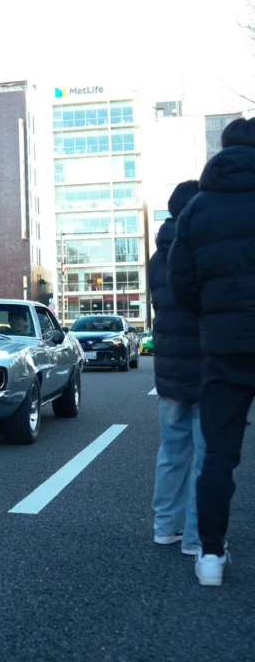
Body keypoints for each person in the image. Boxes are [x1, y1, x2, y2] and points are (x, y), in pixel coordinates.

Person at [169, 117, 255, 586]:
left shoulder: (199, 207)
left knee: (218, 454)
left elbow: (182, 282)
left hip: (225, 347)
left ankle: (211, 557)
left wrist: (215, 312)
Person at [149, 180, 203, 556]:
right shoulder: (200, 249)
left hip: (169, 364)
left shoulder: (158, 257)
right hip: (204, 359)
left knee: (172, 450)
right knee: (207, 454)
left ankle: (165, 527)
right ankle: (198, 537)